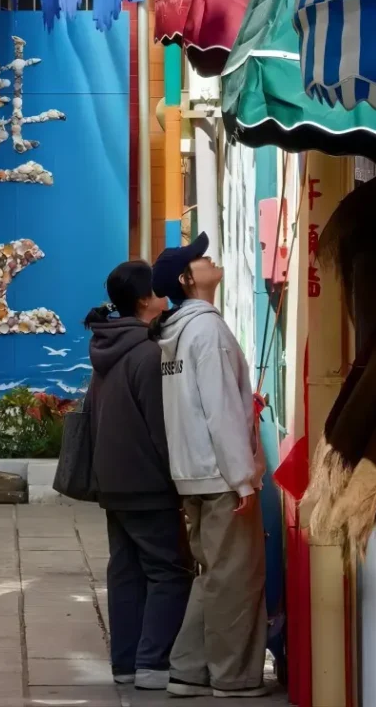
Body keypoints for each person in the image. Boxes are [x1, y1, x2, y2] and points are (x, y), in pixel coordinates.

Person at [151, 233, 268, 699]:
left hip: (192, 472)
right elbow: (221, 410)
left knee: (213, 574)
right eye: (197, 259)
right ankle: (233, 677)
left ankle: (189, 670)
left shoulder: (177, 333)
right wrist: (243, 480)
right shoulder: (207, 330)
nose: (208, 258)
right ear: (187, 279)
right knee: (236, 579)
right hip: (221, 475)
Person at [86, 260, 193, 692]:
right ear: (145, 299)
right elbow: (162, 425)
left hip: (112, 480)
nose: (166, 295)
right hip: (148, 482)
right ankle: (152, 663)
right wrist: (181, 479)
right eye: (158, 289)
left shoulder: (106, 347)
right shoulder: (149, 354)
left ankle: (126, 663)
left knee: (126, 571)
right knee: (169, 570)